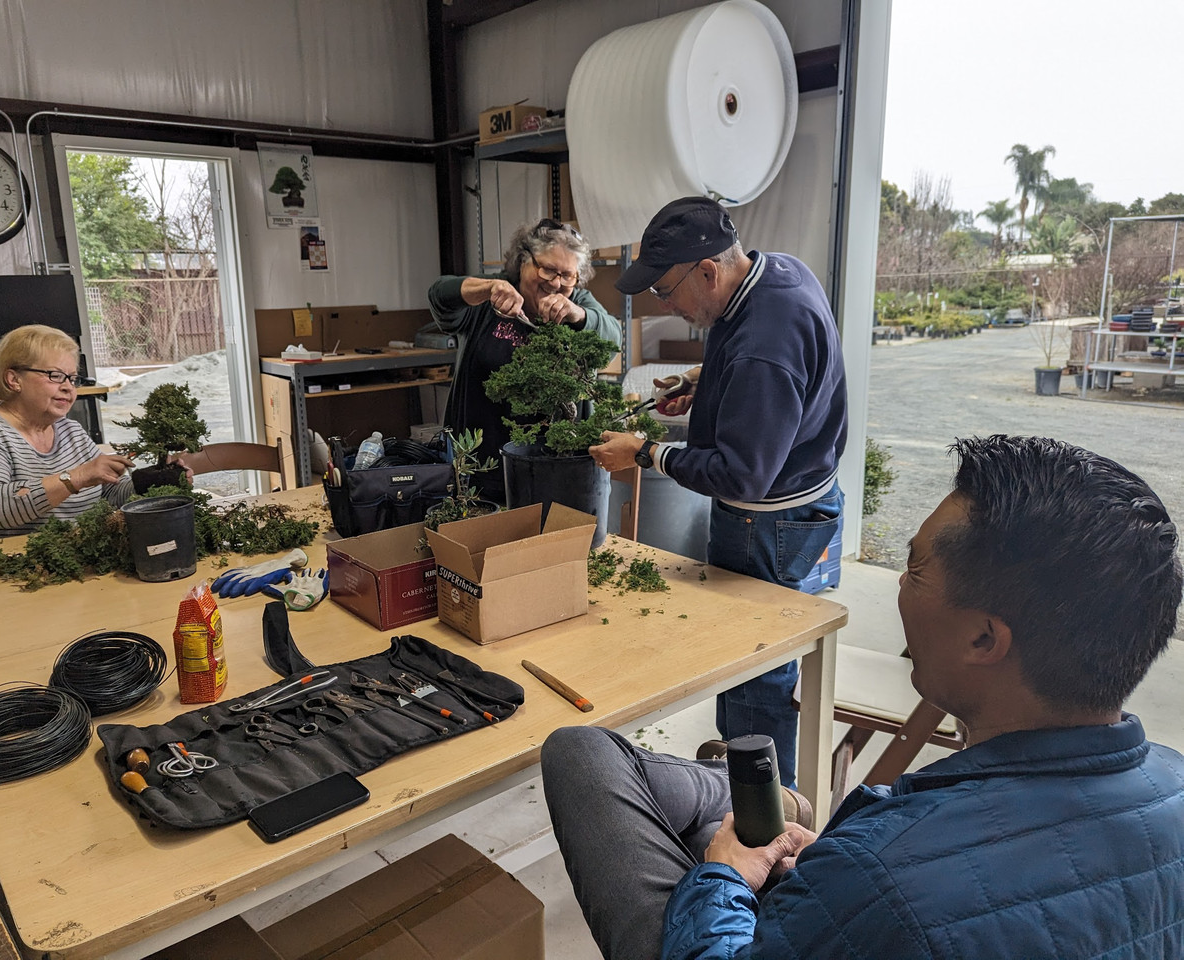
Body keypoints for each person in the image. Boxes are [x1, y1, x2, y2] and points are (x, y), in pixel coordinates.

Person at [542, 435, 1184, 960]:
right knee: (739, 822)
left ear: (985, 637)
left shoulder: (880, 875)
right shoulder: (1174, 782)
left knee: (582, 753)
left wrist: (724, 878)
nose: (901, 586)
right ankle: (769, 805)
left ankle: (760, 812)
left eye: (916, 569)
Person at [588, 196, 848, 782]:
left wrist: (646, 451)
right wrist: (701, 382)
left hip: (767, 523)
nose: (667, 305)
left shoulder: (764, 346)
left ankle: (763, 819)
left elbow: (740, 473)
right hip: (799, 502)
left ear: (708, 270)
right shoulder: (776, 272)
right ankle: (741, 777)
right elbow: (766, 373)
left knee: (756, 671)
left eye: (666, 291)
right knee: (750, 662)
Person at [427, 217, 621, 503]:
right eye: (547, 269)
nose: (556, 283)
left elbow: (612, 342)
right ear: (522, 261)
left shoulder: (579, 304)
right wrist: (486, 289)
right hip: (482, 465)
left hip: (558, 463)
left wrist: (577, 315)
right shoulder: (490, 298)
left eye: (567, 275)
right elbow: (439, 297)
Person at [0, 324, 167, 546]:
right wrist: (77, 477)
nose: (69, 388)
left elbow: (108, 492)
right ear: (13, 379)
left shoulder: (70, 430)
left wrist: (145, 483)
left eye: (72, 378)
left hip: (64, 559)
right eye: (55, 376)